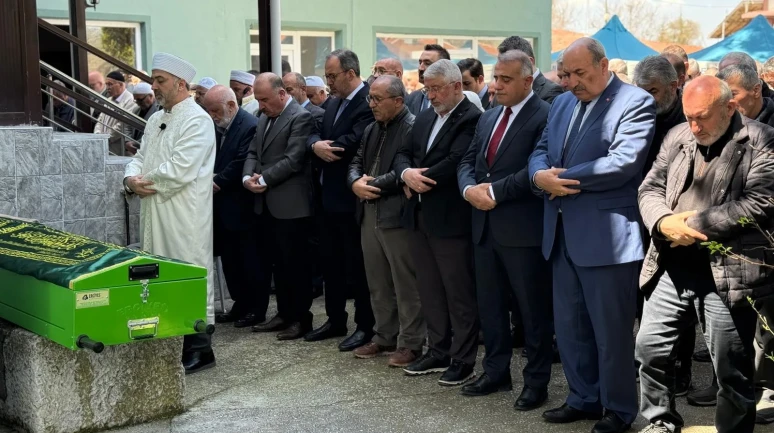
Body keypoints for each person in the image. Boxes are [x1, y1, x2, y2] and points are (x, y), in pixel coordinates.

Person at [528, 38, 656, 433]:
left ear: (603, 66)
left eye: (580, 74)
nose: (572, 82)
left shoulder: (635, 101)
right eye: (567, 74)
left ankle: (618, 409)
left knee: (611, 332)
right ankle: (583, 398)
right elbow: (542, 148)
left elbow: (622, 163)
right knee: (570, 328)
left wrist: (557, 178)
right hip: (562, 232)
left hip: (608, 239)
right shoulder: (564, 102)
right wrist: (537, 175)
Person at [636, 75, 774, 433]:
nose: (694, 126)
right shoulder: (677, 136)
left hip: (727, 274)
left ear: (729, 108)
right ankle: (660, 422)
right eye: (688, 116)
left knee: (732, 368)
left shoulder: (760, 140)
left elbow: (760, 202)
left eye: (702, 117)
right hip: (671, 267)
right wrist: (664, 223)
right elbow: (649, 189)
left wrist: (692, 225)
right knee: (650, 350)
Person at [456, 49, 553, 410]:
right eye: (495, 78)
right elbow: (469, 160)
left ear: (528, 81)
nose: (495, 86)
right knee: (491, 307)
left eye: (505, 79)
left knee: (532, 311)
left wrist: (493, 192)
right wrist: (469, 190)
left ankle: (537, 381)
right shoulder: (489, 117)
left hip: (521, 231)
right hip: (484, 227)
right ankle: (496, 371)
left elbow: (536, 170)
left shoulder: (545, 115)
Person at [123, 52, 217, 374]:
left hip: (183, 216)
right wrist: (129, 179)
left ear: (180, 84)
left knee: (186, 273)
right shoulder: (154, 118)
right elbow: (141, 156)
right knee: (159, 275)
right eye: (154, 79)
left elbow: (180, 170)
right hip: (154, 210)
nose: (154, 86)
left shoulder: (197, 120)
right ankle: (170, 344)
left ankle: (200, 349)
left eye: (160, 80)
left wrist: (141, 182)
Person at [394, 59, 481, 386]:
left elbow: (456, 160)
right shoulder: (426, 116)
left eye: (435, 89)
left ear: (457, 86)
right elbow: (404, 151)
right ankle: (438, 349)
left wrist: (418, 177)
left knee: (458, 293)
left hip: (450, 221)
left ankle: (463, 359)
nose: (429, 95)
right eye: (426, 88)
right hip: (418, 217)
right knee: (429, 290)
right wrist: (405, 172)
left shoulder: (471, 119)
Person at [346, 75, 425, 367]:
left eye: (377, 99)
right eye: (370, 98)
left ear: (398, 101)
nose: (372, 104)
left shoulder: (413, 126)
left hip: (396, 215)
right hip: (369, 213)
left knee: (406, 283)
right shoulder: (371, 128)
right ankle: (384, 335)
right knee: (377, 281)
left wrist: (372, 184)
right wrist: (355, 182)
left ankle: (411, 342)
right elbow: (355, 162)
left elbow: (408, 169)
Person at [304, 49, 376, 351]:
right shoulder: (332, 102)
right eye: (327, 76)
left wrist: (323, 147)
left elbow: (354, 141)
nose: (328, 82)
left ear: (350, 73)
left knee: (356, 267)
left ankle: (365, 326)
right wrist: (314, 145)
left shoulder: (368, 100)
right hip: (326, 197)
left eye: (332, 76)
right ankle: (335, 319)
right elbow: (314, 133)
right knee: (330, 262)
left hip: (351, 199)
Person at [632, 55, 695, 397]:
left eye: (653, 91)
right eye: (640, 91)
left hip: (676, 221)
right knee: (644, 297)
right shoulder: (636, 115)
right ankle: (651, 362)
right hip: (640, 218)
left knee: (678, 298)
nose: (646, 99)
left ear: (674, 87)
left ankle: (680, 368)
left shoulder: (690, 120)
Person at [244, 73, 316, 340]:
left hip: (291, 206)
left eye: (264, 99)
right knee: (278, 265)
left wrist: (262, 178)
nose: (260, 105)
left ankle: (301, 318)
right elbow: (253, 152)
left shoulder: (300, 117)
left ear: (282, 94)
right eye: (258, 100)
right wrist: (247, 177)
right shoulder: (264, 117)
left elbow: (294, 159)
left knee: (295, 265)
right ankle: (284, 314)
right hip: (266, 204)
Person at [202, 85, 266, 329]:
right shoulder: (217, 127)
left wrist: (216, 181)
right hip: (222, 208)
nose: (212, 116)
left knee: (251, 260)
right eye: (209, 111)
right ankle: (240, 303)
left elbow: (243, 161)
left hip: (243, 206)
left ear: (231, 105)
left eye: (215, 110)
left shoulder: (248, 125)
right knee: (231, 262)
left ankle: (256, 308)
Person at [498, 36, 563, 104]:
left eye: (508, 63)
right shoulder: (501, 90)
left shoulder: (552, 92)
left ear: (529, 62)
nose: (503, 69)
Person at [95, 70, 137, 155]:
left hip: (117, 148)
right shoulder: (109, 100)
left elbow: (122, 124)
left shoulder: (130, 100)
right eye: (106, 84)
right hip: (104, 144)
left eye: (110, 84)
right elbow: (100, 120)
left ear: (121, 85)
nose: (108, 88)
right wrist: (97, 135)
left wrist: (107, 138)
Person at [405, 44, 450, 115]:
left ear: (443, 68)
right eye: (420, 63)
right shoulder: (413, 97)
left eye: (427, 63)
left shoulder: (452, 98)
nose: (420, 68)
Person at [125, 82, 160, 155]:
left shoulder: (159, 110)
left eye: (140, 100)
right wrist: (128, 141)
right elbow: (128, 125)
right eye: (136, 100)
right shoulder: (136, 110)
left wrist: (136, 143)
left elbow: (155, 131)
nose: (138, 103)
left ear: (150, 96)